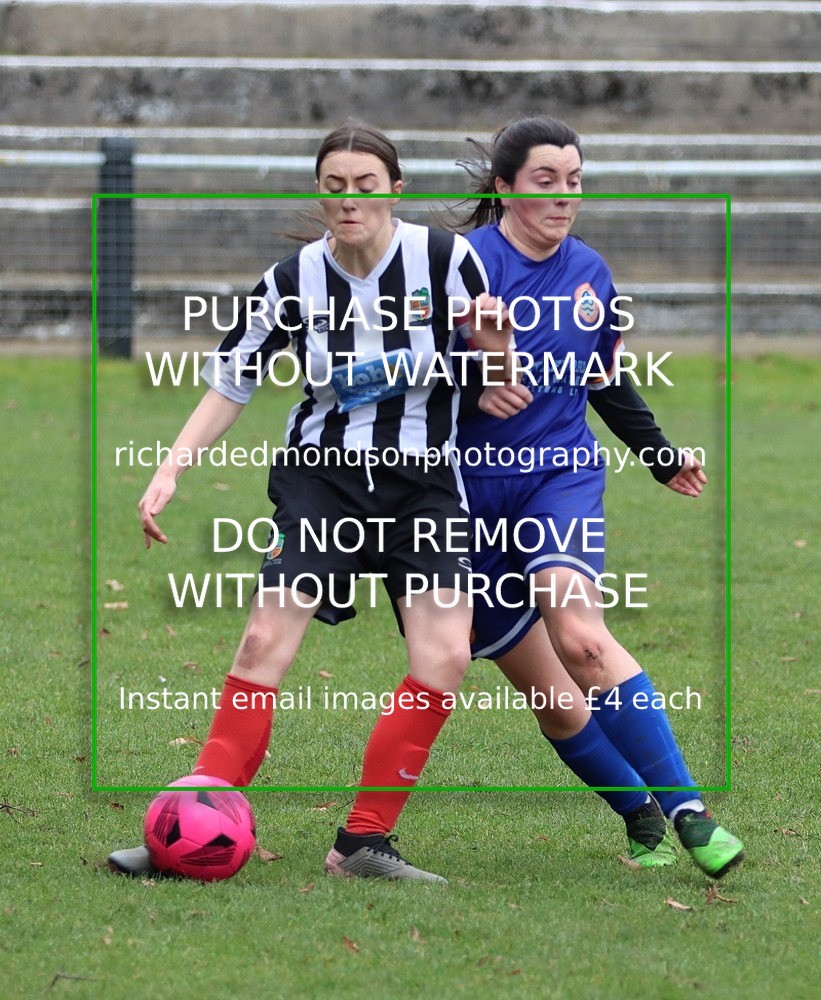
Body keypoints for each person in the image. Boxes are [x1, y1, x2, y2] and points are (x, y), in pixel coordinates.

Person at [108, 120, 511, 883]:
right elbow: (232, 379)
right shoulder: (291, 280)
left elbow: (495, 357)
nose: (349, 200)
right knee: (263, 641)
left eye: (364, 187)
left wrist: (492, 349)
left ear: (394, 189)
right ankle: (193, 825)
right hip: (319, 475)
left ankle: (362, 844)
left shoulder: (444, 259)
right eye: (334, 187)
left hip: (422, 480)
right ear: (320, 191)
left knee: (444, 657)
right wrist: (169, 470)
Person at [455, 116, 744, 879]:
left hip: (559, 476)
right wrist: (472, 381)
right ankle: (638, 817)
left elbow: (605, 379)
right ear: (504, 187)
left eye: (574, 180)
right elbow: (406, 383)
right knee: (550, 694)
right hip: (462, 501)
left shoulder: (591, 273)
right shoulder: (458, 270)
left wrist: (658, 455)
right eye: (545, 180)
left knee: (581, 637)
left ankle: (689, 812)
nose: (563, 196)